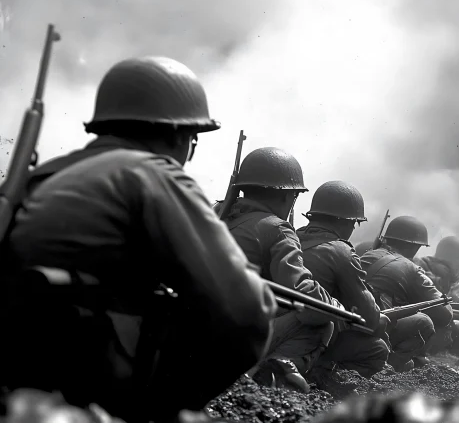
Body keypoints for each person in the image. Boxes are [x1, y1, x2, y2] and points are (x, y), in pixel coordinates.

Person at [0, 56, 277, 423]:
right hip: (78, 376)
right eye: (192, 140)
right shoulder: (150, 173)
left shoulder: (50, 174)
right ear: (180, 135)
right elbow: (245, 309)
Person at [219, 147, 344, 393]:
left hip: (186, 330)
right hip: (228, 340)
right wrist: (335, 307)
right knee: (320, 321)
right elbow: (301, 292)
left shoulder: (215, 214)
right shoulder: (277, 229)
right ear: (289, 197)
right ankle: (272, 380)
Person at [296, 180, 390, 378]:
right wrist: (380, 321)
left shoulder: (290, 237)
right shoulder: (341, 251)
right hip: (310, 335)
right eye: (354, 223)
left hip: (274, 327)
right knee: (378, 349)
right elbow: (368, 317)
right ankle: (323, 380)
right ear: (345, 222)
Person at [360, 216, 453, 371]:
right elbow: (445, 313)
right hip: (376, 329)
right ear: (414, 247)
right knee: (423, 322)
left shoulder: (366, 255)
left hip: (353, 325)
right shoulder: (412, 269)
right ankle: (388, 366)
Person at [415, 236, 459, 356]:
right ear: (453, 261)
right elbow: (441, 312)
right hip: (416, 327)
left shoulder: (425, 263)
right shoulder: (442, 274)